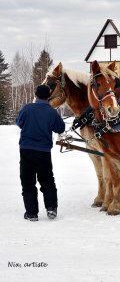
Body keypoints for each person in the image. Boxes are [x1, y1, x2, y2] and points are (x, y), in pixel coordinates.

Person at [16, 85, 65, 221]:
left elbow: (19, 123)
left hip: (26, 150)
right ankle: (51, 208)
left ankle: (31, 213)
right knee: (47, 179)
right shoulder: (51, 112)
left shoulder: (26, 108)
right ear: (48, 96)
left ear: (35, 94)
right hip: (43, 152)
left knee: (28, 181)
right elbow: (60, 128)